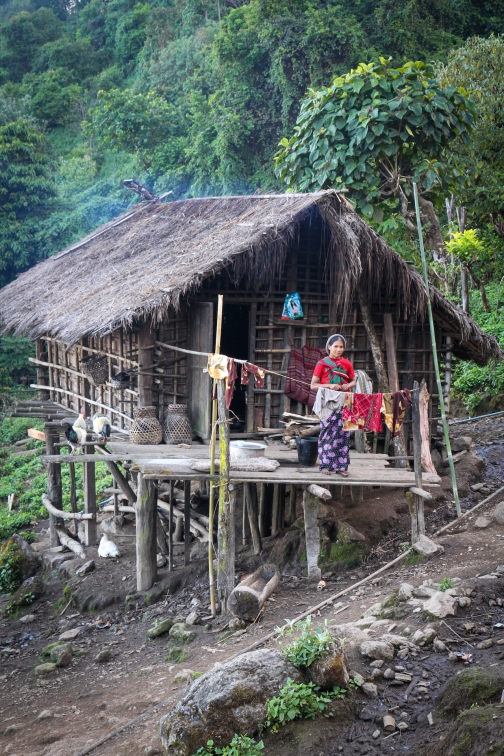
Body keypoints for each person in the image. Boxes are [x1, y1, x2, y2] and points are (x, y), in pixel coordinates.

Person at [310, 334, 356, 477]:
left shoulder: (346, 363)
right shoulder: (322, 364)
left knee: (343, 434)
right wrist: (330, 386)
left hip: (344, 401)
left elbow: (354, 380)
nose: (338, 349)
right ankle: (325, 465)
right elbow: (313, 386)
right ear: (329, 347)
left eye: (341, 347)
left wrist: (347, 385)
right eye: (335, 346)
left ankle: (341, 466)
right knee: (327, 434)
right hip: (328, 403)